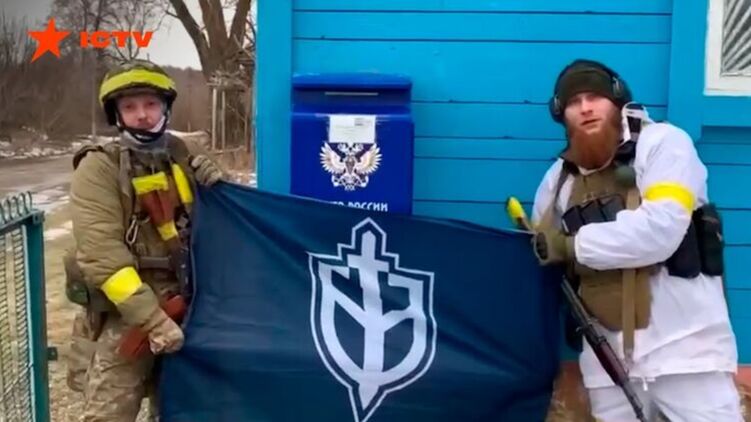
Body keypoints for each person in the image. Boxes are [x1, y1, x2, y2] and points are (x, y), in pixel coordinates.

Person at [530, 58, 742, 421]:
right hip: (607, 364)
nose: (585, 108)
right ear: (561, 114)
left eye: (595, 97)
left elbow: (661, 229)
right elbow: (539, 247)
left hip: (686, 355)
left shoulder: (664, 144)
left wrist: (570, 245)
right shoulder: (558, 180)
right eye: (574, 102)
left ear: (617, 101)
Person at [64, 59, 225, 421]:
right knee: (107, 414)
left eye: (151, 104)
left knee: (188, 411)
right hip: (128, 315)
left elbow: (231, 223)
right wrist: (152, 321)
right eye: (130, 106)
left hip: (194, 306)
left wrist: (220, 183)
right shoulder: (99, 168)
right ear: (116, 114)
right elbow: (101, 254)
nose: (142, 115)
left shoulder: (187, 155)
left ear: (166, 107)